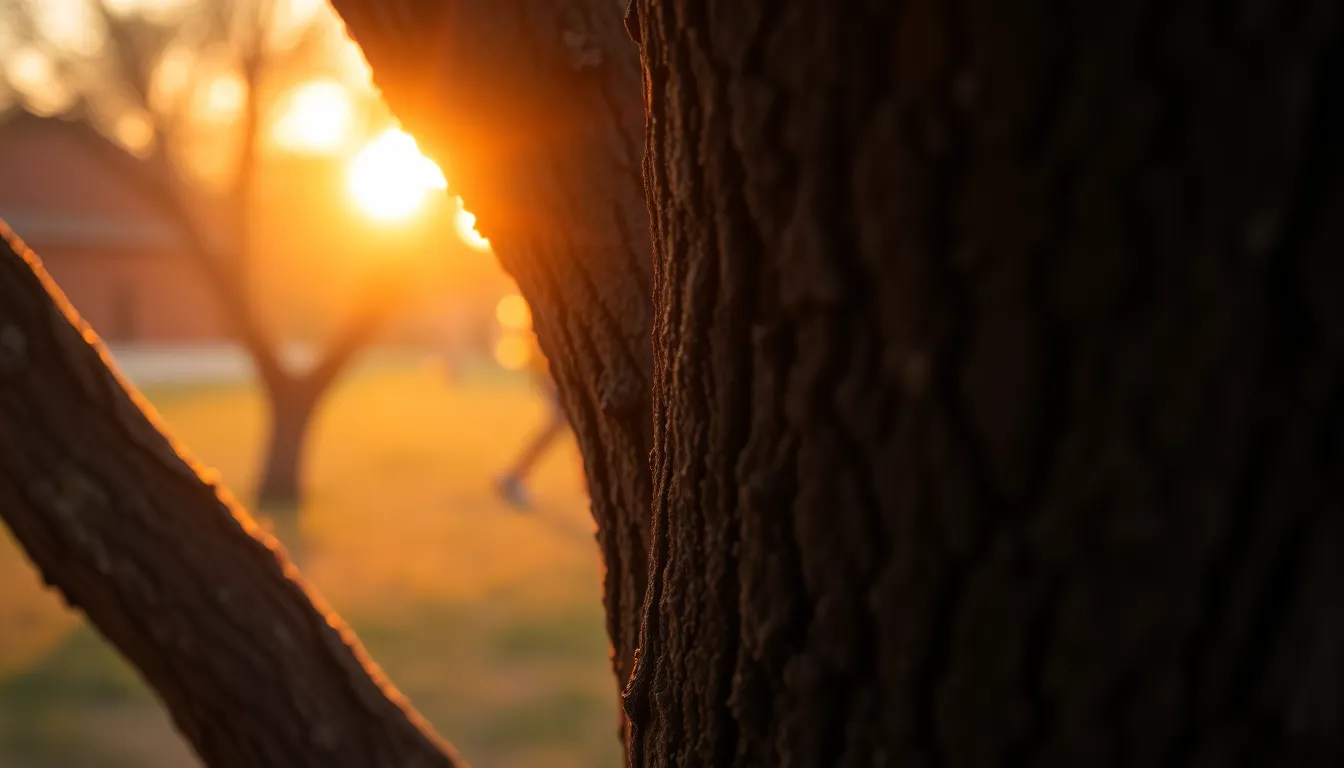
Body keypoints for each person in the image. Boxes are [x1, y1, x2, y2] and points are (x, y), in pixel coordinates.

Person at [494, 336, 567, 510]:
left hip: (552, 368)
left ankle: (513, 476)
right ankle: (512, 476)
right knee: (559, 422)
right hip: (550, 368)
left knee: (562, 423)